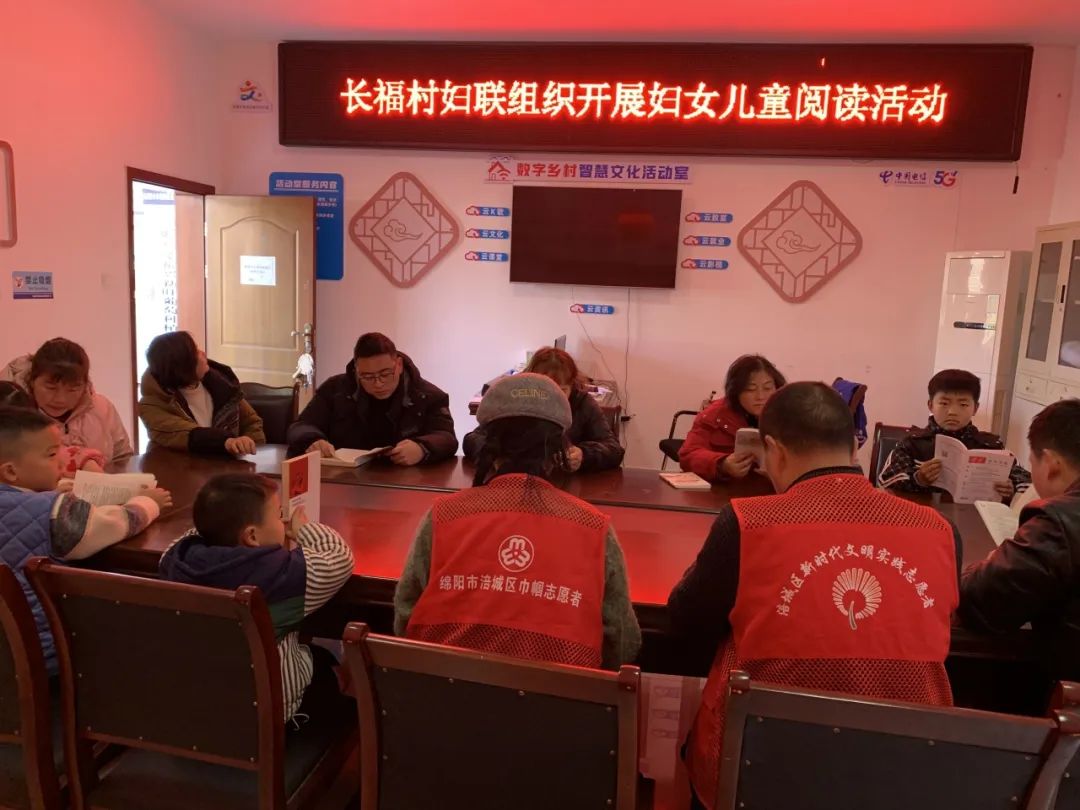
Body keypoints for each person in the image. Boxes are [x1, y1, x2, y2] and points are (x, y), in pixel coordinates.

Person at [667, 383, 959, 810]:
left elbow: (686, 619)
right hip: (904, 767)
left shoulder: (747, 522)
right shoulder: (938, 529)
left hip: (756, 765)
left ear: (773, 450)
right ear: (855, 447)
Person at [393, 373, 640, 669]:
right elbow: (622, 643)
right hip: (561, 696)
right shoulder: (593, 527)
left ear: (488, 446)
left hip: (441, 690)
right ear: (558, 449)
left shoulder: (444, 515)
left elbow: (405, 616)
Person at [159, 473, 354, 722]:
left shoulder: (174, 561)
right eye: (278, 515)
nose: (283, 521)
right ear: (252, 536)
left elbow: (189, 536)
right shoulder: (284, 575)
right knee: (328, 673)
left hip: (196, 707)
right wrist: (304, 529)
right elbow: (338, 556)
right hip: (268, 717)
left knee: (320, 658)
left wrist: (220, 520)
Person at [0, 406, 171, 673]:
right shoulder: (51, 511)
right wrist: (147, 504)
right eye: (52, 454)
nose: (62, 462)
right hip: (43, 653)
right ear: (11, 472)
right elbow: (112, 524)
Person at [958, 399, 1080, 683]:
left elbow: (980, 599)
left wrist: (990, 561)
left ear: (1050, 464)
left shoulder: (1058, 521)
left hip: (1061, 691)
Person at [286, 332, 457, 465]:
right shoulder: (334, 389)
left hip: (405, 481)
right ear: (356, 370)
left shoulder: (428, 396)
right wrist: (313, 440)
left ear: (398, 365)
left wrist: (421, 448)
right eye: (367, 376)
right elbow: (300, 426)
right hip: (346, 479)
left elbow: (447, 438)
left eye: (385, 374)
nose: (378, 383)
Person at [462, 346, 624, 473]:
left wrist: (584, 455)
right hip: (514, 483)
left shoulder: (582, 402)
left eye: (562, 390)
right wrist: (494, 453)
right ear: (531, 384)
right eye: (545, 389)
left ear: (572, 385)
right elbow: (472, 440)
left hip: (565, 489)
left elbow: (614, 449)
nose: (554, 397)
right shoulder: (515, 401)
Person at [878, 368, 1030, 500]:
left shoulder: (992, 446)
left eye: (963, 404)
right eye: (944, 403)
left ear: (975, 408)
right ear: (930, 405)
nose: (952, 412)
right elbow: (884, 482)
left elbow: (1027, 483)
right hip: (922, 518)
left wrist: (1011, 489)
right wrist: (918, 479)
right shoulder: (911, 444)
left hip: (975, 519)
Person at [1, 337, 133, 466]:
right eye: (51, 387)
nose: (61, 399)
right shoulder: (12, 414)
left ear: (85, 384)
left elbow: (123, 459)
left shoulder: (102, 408)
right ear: (31, 380)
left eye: (73, 389)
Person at [138, 331, 265, 455]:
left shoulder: (223, 387)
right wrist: (226, 442)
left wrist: (249, 447)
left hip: (226, 465)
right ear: (182, 365)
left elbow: (252, 422)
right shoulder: (152, 404)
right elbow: (187, 434)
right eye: (196, 352)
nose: (203, 354)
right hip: (176, 466)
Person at [678, 354, 785, 482]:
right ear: (736, 391)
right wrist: (722, 464)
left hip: (777, 489)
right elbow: (688, 455)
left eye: (767, 388)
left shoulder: (788, 414)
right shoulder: (715, 414)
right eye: (751, 389)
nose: (760, 396)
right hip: (728, 489)